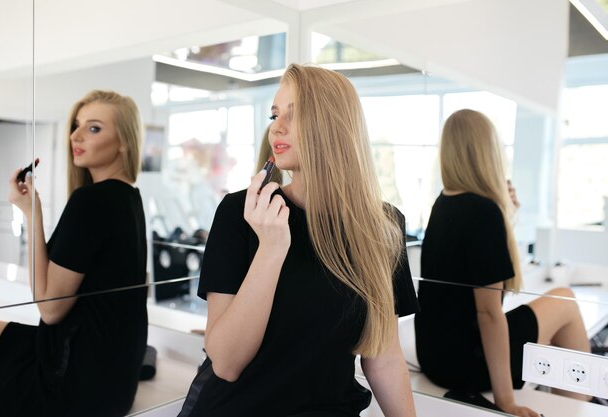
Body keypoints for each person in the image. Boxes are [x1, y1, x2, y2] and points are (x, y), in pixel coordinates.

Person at [178, 64, 418, 417]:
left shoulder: (383, 226)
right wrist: (271, 248)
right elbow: (226, 363)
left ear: (335, 125)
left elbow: (383, 356)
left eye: (296, 113)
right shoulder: (239, 213)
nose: (278, 125)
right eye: (275, 114)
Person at [414, 109, 591, 417]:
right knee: (566, 300)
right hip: (468, 361)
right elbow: (489, 313)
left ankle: (571, 401)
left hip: (435, 357)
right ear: (488, 152)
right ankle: (580, 406)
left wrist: (506, 216)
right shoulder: (483, 211)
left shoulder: (442, 203)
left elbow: (486, 290)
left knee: (549, 322)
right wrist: (505, 401)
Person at [0, 90, 148, 416]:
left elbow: (49, 309)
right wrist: (32, 211)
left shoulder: (92, 201)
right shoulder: (129, 198)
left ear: (124, 142)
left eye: (94, 128)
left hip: (75, 380)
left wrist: (32, 215)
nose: (76, 135)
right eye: (77, 125)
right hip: (113, 375)